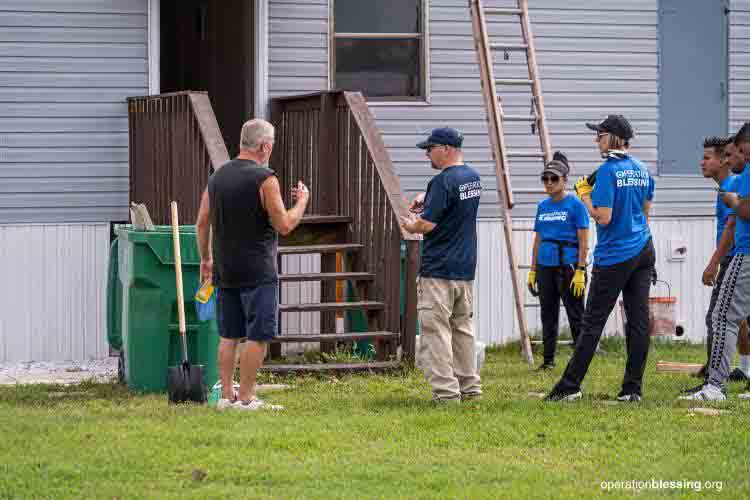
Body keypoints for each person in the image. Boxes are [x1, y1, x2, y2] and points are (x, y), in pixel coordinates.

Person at [196, 119, 310, 411]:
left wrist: (206, 259)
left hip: (226, 268)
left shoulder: (217, 177)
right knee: (257, 336)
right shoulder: (265, 178)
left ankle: (225, 398)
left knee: (229, 335)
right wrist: (302, 203)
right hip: (258, 270)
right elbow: (284, 225)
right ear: (265, 146)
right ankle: (246, 399)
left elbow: (202, 222)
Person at [545, 115, 655, 402]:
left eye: (600, 135)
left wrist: (585, 196)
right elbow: (644, 213)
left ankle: (569, 386)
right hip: (643, 249)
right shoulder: (643, 169)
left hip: (615, 255)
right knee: (638, 321)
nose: (596, 140)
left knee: (592, 322)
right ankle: (632, 390)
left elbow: (603, 218)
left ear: (614, 138)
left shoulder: (607, 172)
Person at [400, 127, 482, 403]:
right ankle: (470, 389)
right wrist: (428, 198)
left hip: (438, 270)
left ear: (446, 149)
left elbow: (428, 224)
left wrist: (412, 225)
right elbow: (453, 205)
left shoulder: (442, 181)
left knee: (435, 332)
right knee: (462, 330)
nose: (427, 155)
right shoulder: (472, 177)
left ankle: (446, 395)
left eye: (430, 148)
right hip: (465, 267)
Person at [685, 124, 750, 400]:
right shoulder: (731, 183)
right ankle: (742, 372)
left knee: (721, 317)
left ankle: (714, 385)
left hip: (740, 256)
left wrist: (715, 263)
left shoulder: (734, 184)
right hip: (738, 256)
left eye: (707, 157)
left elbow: (732, 227)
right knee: (738, 319)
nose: (702, 162)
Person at [527, 152, 589, 370]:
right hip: (546, 266)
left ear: (564, 180)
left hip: (569, 267)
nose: (549, 183)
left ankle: (580, 363)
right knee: (548, 313)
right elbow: (538, 240)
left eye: (554, 179)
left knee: (576, 315)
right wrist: (532, 270)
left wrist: (581, 269)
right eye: (545, 179)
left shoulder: (576, 205)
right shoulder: (542, 207)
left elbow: (583, 240)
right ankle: (548, 361)